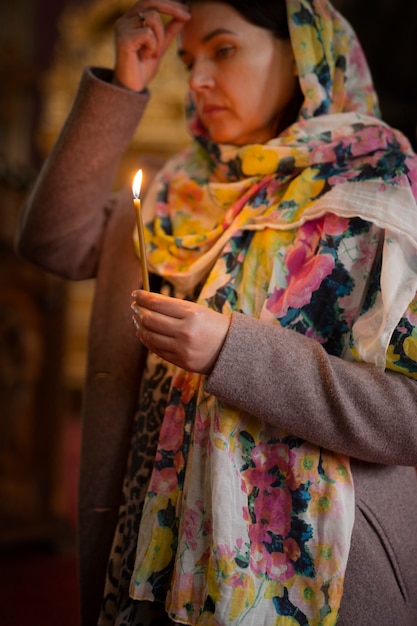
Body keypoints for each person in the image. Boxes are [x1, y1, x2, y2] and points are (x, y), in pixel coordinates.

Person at [16, 0, 417, 624]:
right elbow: (52, 240)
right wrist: (125, 85)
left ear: (301, 53)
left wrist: (235, 351)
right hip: (156, 550)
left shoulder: (383, 193)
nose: (197, 79)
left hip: (321, 577)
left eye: (223, 50)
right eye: (187, 61)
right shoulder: (184, 188)